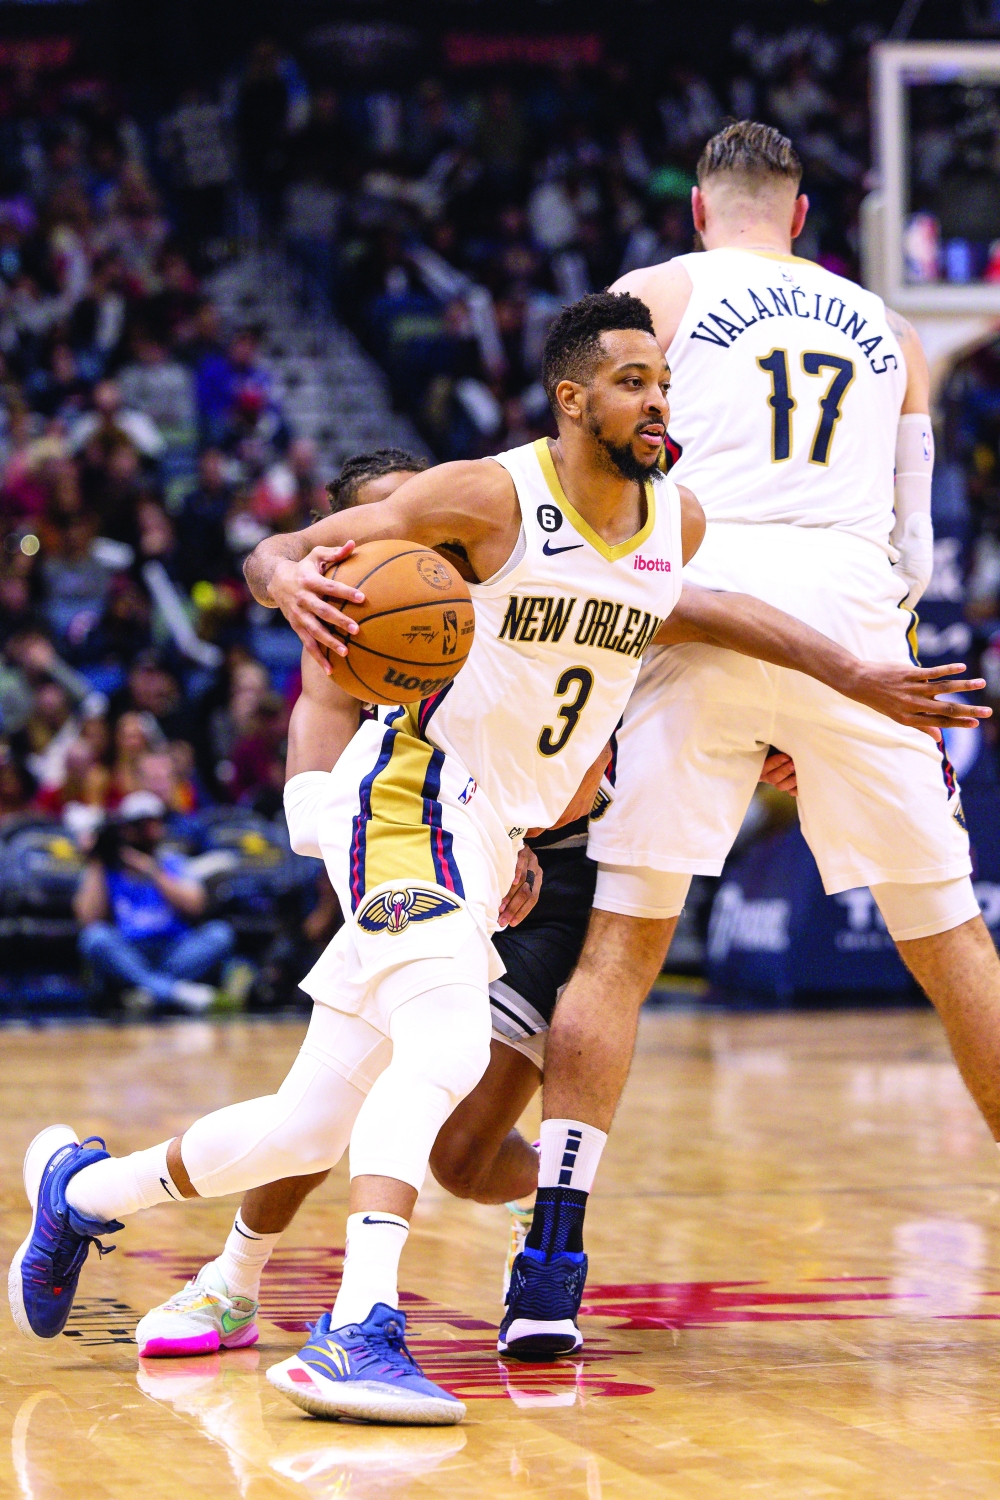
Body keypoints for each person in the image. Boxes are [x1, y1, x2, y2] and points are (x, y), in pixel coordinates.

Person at [9, 295, 984, 1422]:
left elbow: (714, 616)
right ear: (572, 401)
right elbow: (285, 548)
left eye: (662, 380)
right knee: (447, 1042)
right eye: (630, 381)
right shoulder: (490, 493)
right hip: (410, 796)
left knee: (306, 1127)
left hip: (493, 837)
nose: (656, 398)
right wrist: (281, 579)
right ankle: (356, 1329)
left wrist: (851, 677)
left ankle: (82, 1192)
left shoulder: (679, 524)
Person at [492, 117, 1000, 1360]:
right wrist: (846, 681)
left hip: (700, 602)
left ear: (700, 212)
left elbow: (595, 472)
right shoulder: (889, 329)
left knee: (621, 953)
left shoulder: (655, 297)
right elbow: (919, 541)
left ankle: (551, 1263)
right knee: (954, 951)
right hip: (852, 619)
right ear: (804, 216)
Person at [74, 789, 235, 1013]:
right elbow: (88, 919)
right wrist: (96, 859)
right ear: (126, 829)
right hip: (130, 949)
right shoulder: (105, 870)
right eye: (139, 825)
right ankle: (175, 993)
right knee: (94, 938)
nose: (148, 831)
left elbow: (197, 905)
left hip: (174, 949)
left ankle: (148, 991)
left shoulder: (172, 862)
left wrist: (151, 870)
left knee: (220, 933)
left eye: (153, 823)